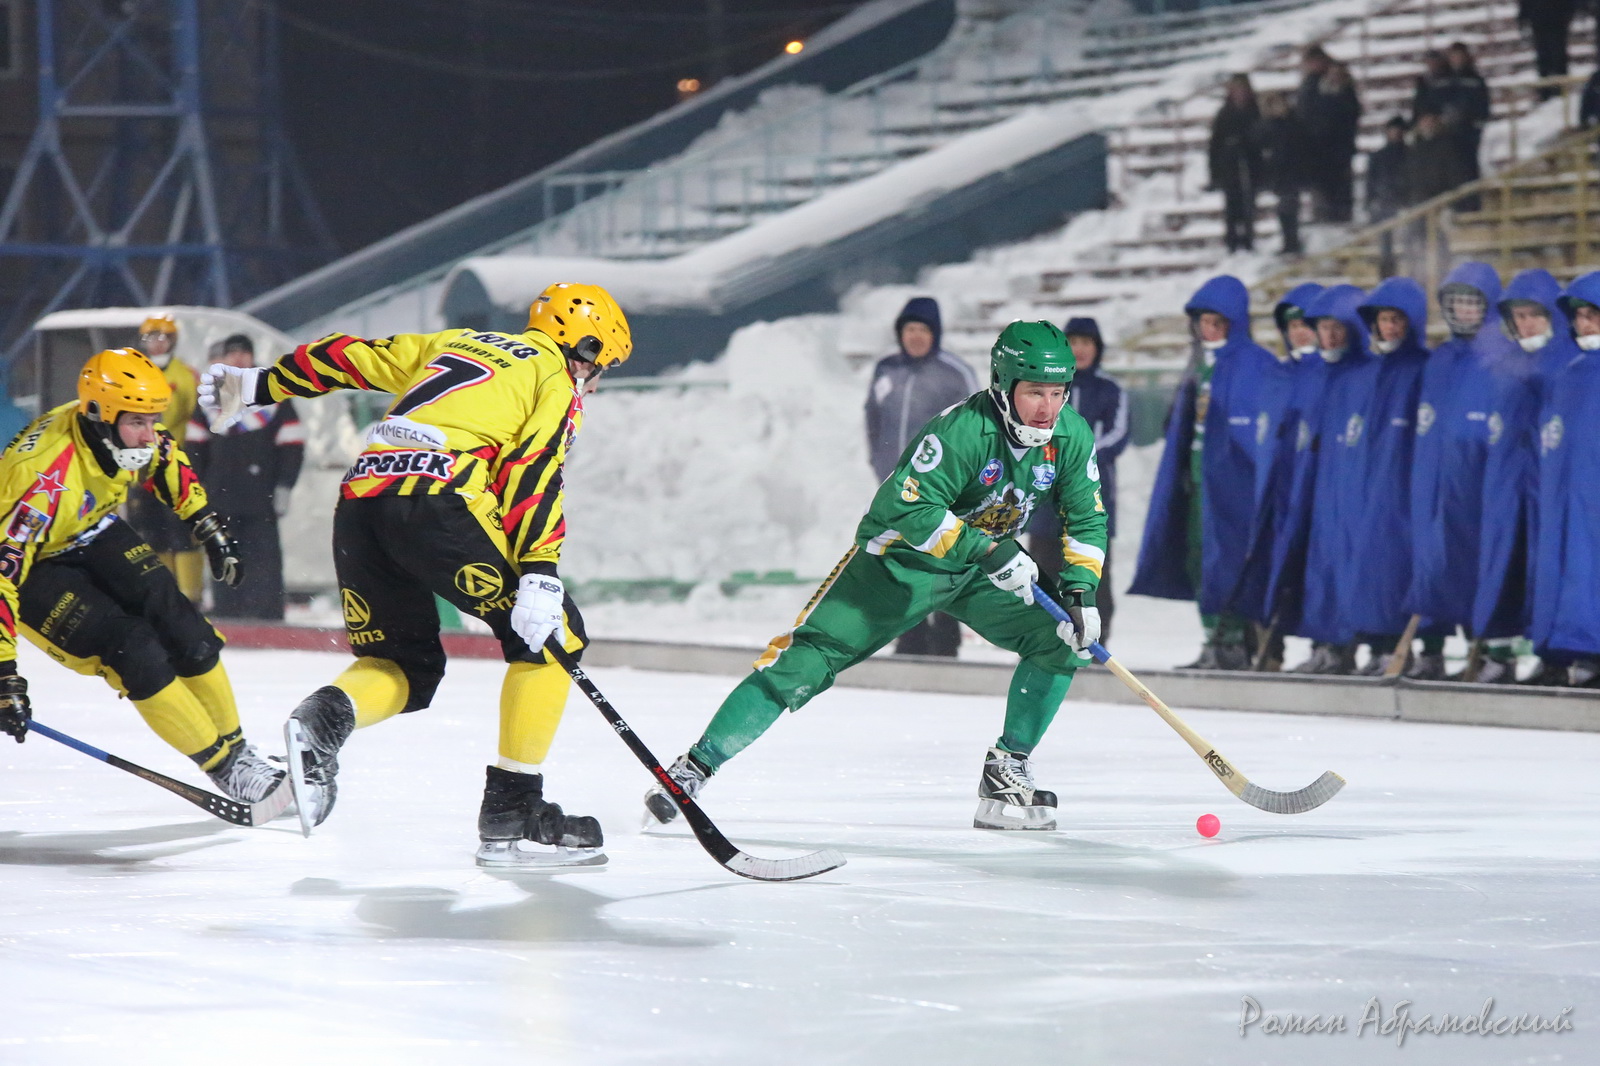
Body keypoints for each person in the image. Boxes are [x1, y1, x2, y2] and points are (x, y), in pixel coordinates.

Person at [199, 283, 633, 867]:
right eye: (600, 366)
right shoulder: (555, 378)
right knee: (557, 638)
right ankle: (513, 811)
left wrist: (256, 385)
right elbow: (535, 474)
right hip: (440, 499)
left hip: (362, 501)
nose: (596, 381)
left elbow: (350, 355)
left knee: (405, 664)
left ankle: (321, 723)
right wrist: (540, 571)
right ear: (581, 348)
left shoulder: (456, 342)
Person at [642, 322, 1107, 833]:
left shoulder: (1071, 435)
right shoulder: (962, 432)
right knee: (804, 661)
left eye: (1057, 392)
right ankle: (691, 769)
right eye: (1034, 392)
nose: (1047, 407)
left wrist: (1081, 591)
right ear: (1003, 384)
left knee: (1061, 640)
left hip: (976, 572)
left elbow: (1087, 518)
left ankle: (1004, 772)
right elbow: (905, 505)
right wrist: (991, 551)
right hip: (898, 565)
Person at [0, 349, 272, 804]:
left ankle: (241, 754)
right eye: (138, 424)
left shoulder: (123, 423)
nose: (149, 435)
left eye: (153, 420)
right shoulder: (40, 480)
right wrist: (5, 674)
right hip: (29, 564)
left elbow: (164, 460)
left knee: (178, 617)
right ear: (98, 417)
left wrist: (206, 524)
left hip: (88, 526)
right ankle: (224, 767)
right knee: (131, 648)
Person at [1130, 276, 1274, 669]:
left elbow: (1258, 434)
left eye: (1218, 322)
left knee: (1227, 561)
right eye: (1204, 322)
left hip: (1233, 486)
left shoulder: (1255, 364)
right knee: (1197, 559)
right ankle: (1212, 637)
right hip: (1195, 482)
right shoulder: (1198, 366)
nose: (1209, 330)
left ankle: (1232, 641)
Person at [1405, 264, 1505, 680]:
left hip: (1479, 483)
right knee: (1434, 566)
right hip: (1435, 483)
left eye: (1471, 303)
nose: (1463, 312)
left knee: (1480, 566)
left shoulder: (1502, 359)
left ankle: (1491, 652)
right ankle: (1432, 649)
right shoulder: (1439, 360)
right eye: (1456, 304)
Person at [864, 297, 979, 658]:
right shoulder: (886, 369)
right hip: (896, 487)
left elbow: (974, 427)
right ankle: (909, 636)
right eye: (909, 329)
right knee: (900, 559)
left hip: (940, 489)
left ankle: (945, 639)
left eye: (923, 330)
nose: (915, 336)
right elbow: (873, 417)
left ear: (935, 333)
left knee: (940, 561)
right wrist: (878, 460)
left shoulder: (954, 373)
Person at [1232, 283, 1324, 669]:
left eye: (1305, 323)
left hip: (1317, 491)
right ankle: (1270, 648)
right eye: (1292, 325)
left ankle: (1328, 647)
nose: (1299, 332)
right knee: (1270, 568)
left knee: (1316, 569)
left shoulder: (1331, 375)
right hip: (1275, 491)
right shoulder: (1276, 375)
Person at [1347, 278, 1433, 675]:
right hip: (1368, 486)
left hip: (1405, 486)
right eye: (1384, 319)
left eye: (1398, 319)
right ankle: (1378, 645)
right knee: (1371, 569)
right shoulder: (1369, 370)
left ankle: (1410, 649)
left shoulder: (1423, 368)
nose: (1390, 328)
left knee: (1404, 568)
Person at [186, 334, 305, 620]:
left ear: (252, 357)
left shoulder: (273, 394)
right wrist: (197, 488)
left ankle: (267, 617)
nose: (238, 358)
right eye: (232, 353)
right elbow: (194, 446)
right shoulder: (209, 399)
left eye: (244, 353)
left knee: (264, 560)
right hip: (220, 496)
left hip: (261, 497)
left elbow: (292, 443)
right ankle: (228, 615)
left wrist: (285, 486)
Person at [1286, 284, 1369, 674]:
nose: (1330, 337)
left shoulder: (1365, 374)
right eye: (1323, 328)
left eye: (1338, 328)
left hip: (1352, 487)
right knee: (1316, 568)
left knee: (1347, 567)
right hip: (1315, 486)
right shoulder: (1314, 375)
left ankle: (1344, 645)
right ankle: (1322, 642)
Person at [1029, 317, 1127, 643]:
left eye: (1088, 343)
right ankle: (1042, 641)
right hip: (1045, 498)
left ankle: (1095, 641)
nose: (1080, 350)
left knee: (1091, 572)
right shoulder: (1042, 387)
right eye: (1074, 342)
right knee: (1042, 571)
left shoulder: (1109, 389)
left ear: (1097, 349)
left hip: (1091, 500)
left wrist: (1076, 457)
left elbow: (1118, 435)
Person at [123, 314, 207, 602]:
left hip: (175, 462)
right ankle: (161, 594)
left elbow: (198, 418)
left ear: (172, 340)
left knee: (182, 531)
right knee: (149, 531)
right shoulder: (131, 374)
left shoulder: (186, 375)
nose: (157, 344)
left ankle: (189, 597)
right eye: (151, 338)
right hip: (140, 466)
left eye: (163, 338)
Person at [1543, 272, 1600, 687]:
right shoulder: (1570, 374)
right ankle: (1583, 652)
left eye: (1593, 314)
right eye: (1579, 316)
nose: (1585, 324)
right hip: (1575, 495)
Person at [1304, 61, 1362, 223]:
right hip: (1320, 151)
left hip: (1341, 151)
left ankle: (1343, 217)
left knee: (1342, 190)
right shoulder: (1316, 94)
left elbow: (1350, 119)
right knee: (1323, 190)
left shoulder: (1348, 95)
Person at [1209, 73, 1260, 254]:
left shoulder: (1255, 110)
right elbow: (1215, 145)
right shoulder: (1224, 113)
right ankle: (1232, 240)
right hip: (1230, 166)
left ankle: (1248, 238)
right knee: (1232, 205)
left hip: (1250, 163)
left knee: (1249, 203)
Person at [1254, 91, 1305, 255]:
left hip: (1292, 171)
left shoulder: (1293, 123)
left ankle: (1293, 242)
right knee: (1284, 209)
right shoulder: (1265, 126)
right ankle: (1289, 241)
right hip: (1278, 173)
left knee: (1289, 207)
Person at [1366, 117, 1410, 277]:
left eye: (1398, 130)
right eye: (1393, 130)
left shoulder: (1411, 154)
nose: (1396, 133)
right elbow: (1371, 183)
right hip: (1385, 206)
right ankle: (1386, 277)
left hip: (1407, 205)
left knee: (1409, 245)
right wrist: (1371, 204)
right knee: (1386, 248)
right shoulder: (1378, 157)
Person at [1519, 0, 1579, 99]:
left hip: (1557, 19)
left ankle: (1560, 89)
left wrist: (1570, 12)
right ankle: (1545, 91)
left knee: (1559, 57)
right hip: (1539, 18)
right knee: (1544, 57)